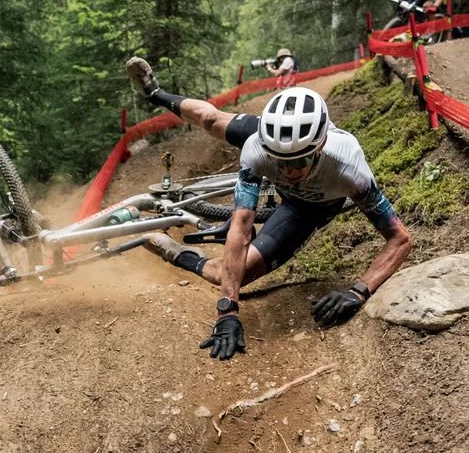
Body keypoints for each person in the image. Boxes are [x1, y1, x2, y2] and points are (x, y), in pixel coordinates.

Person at [125, 57, 413, 360]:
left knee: (228, 274)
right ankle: (155, 93)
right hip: (274, 156)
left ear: (321, 145)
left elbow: (400, 239)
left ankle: (165, 246)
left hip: (308, 208)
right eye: (280, 161)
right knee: (210, 120)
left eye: (298, 161)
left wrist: (359, 291)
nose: (288, 172)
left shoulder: (348, 169)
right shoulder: (259, 147)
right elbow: (241, 227)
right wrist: (227, 309)